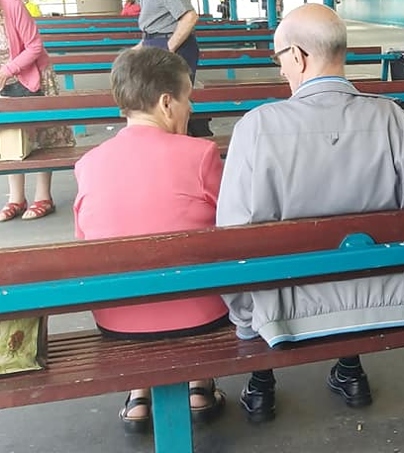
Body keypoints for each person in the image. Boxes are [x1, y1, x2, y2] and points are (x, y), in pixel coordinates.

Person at [217, 4, 404, 424]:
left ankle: (260, 382)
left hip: (285, 312)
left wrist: (246, 321)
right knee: (351, 247)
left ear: (297, 56)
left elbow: (233, 239)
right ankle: (350, 370)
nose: (281, 71)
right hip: (390, 301)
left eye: (280, 59)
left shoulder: (256, 128)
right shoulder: (396, 120)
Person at [73, 47, 227, 433]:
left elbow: (86, 243)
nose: (190, 107)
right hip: (200, 316)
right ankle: (199, 384)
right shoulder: (201, 153)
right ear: (166, 102)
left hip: (118, 321)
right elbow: (231, 228)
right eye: (188, 96)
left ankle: (139, 395)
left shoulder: (88, 164)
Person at [0, 0, 74, 222]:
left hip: (33, 75)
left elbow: (34, 45)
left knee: (44, 135)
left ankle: (44, 197)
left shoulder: (12, 5)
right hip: (4, 80)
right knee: (9, 137)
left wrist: (7, 71)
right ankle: (16, 199)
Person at [137, 0, 212, 137]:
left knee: (171, 101)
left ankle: (188, 139)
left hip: (173, 44)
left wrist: (168, 48)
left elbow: (190, 17)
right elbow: (154, 26)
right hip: (155, 42)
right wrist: (136, 51)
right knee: (158, 101)